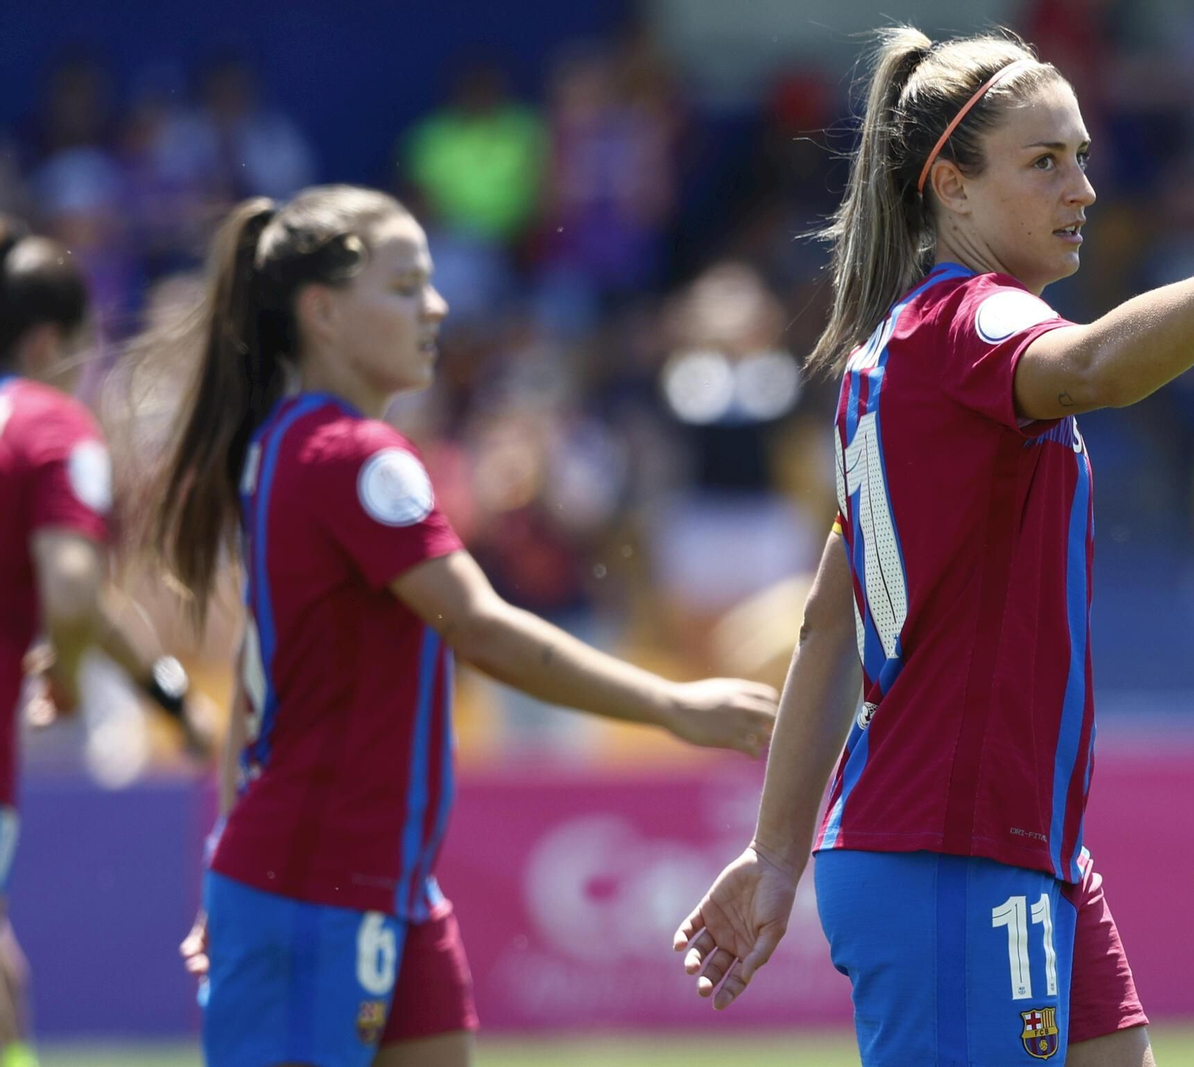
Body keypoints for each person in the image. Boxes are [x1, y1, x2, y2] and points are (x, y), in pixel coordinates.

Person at [673, 27, 1194, 1067]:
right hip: (949, 846)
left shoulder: (896, 356)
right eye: (1044, 161)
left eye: (1084, 157)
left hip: (1011, 842)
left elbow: (829, 624)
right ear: (951, 189)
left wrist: (776, 850)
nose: (1083, 188)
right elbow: (1097, 365)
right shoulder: (968, 325)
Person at [149, 186, 777, 1067]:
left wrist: (227, 857)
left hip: (378, 886)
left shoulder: (287, 443)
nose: (436, 307)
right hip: (312, 886)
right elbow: (479, 628)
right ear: (323, 311)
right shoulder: (351, 457)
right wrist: (672, 705)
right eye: (405, 286)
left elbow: (258, 691)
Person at [0, 216, 206, 1067]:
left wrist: (162, 691)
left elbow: (92, 603)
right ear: (52, 339)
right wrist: (74, 678)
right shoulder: (51, 425)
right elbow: (74, 584)